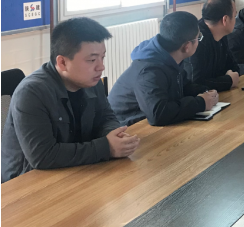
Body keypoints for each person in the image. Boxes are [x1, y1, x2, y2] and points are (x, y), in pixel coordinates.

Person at [1, 17, 140, 183]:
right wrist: (107, 147)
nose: (101, 67)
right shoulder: (31, 93)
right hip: (27, 183)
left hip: (75, 169)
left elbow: (106, 117)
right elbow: (43, 156)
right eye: (92, 60)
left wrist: (113, 135)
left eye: (102, 57)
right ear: (62, 62)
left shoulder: (91, 81)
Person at [108, 11, 218, 126]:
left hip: (149, 122)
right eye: (198, 38)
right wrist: (201, 103)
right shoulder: (149, 70)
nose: (199, 41)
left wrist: (205, 92)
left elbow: (183, 86)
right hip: (128, 128)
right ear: (187, 46)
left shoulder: (170, 56)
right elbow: (158, 114)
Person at [185, 0, 240, 91]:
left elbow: (234, 68)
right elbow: (195, 83)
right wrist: (228, 81)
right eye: (234, 16)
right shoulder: (196, 41)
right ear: (225, 20)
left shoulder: (222, 35)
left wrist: (227, 79)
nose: (236, 21)